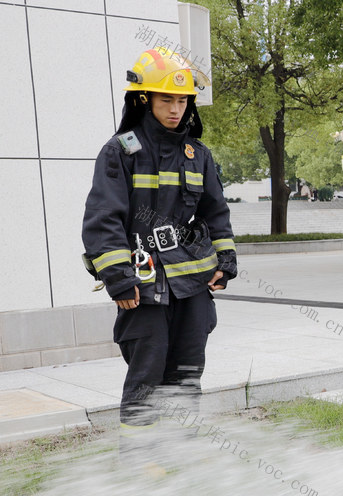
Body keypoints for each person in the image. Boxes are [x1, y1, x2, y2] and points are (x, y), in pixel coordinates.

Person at [82, 47, 237, 463]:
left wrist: (225, 262)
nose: (176, 109)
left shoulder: (198, 155)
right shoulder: (121, 151)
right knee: (146, 380)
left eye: (182, 100)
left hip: (192, 289)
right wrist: (118, 276)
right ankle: (138, 464)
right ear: (143, 100)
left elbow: (215, 214)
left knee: (186, 376)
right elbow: (103, 218)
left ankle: (179, 460)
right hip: (142, 288)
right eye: (166, 99)